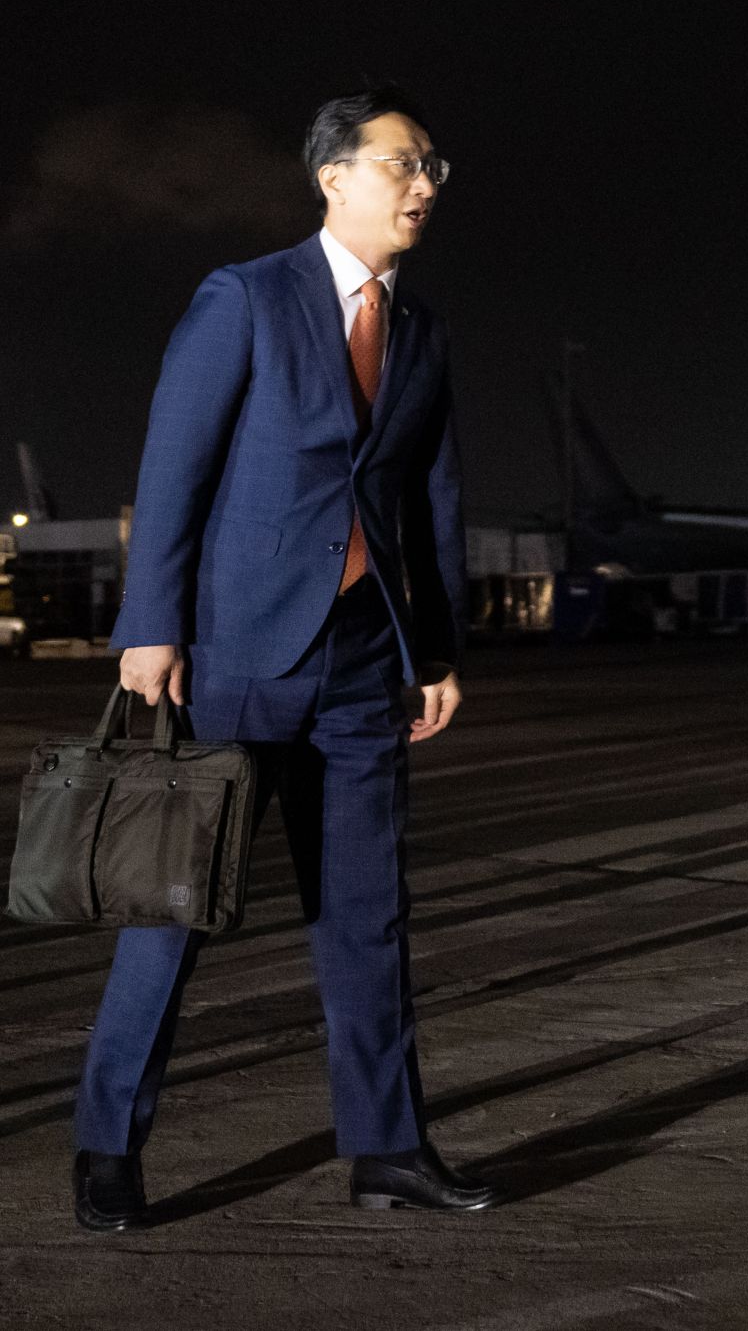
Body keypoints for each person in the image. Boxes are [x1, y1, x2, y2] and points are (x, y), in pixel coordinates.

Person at [75, 88, 480, 1232]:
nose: (426, 183)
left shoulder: (423, 331)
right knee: (176, 908)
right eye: (404, 162)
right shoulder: (245, 296)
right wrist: (149, 626)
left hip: (363, 661)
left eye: (434, 166)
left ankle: (388, 1145)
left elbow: (428, 496)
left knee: (367, 916)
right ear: (332, 176)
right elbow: (174, 468)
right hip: (231, 653)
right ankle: (108, 1142)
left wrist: (437, 648)